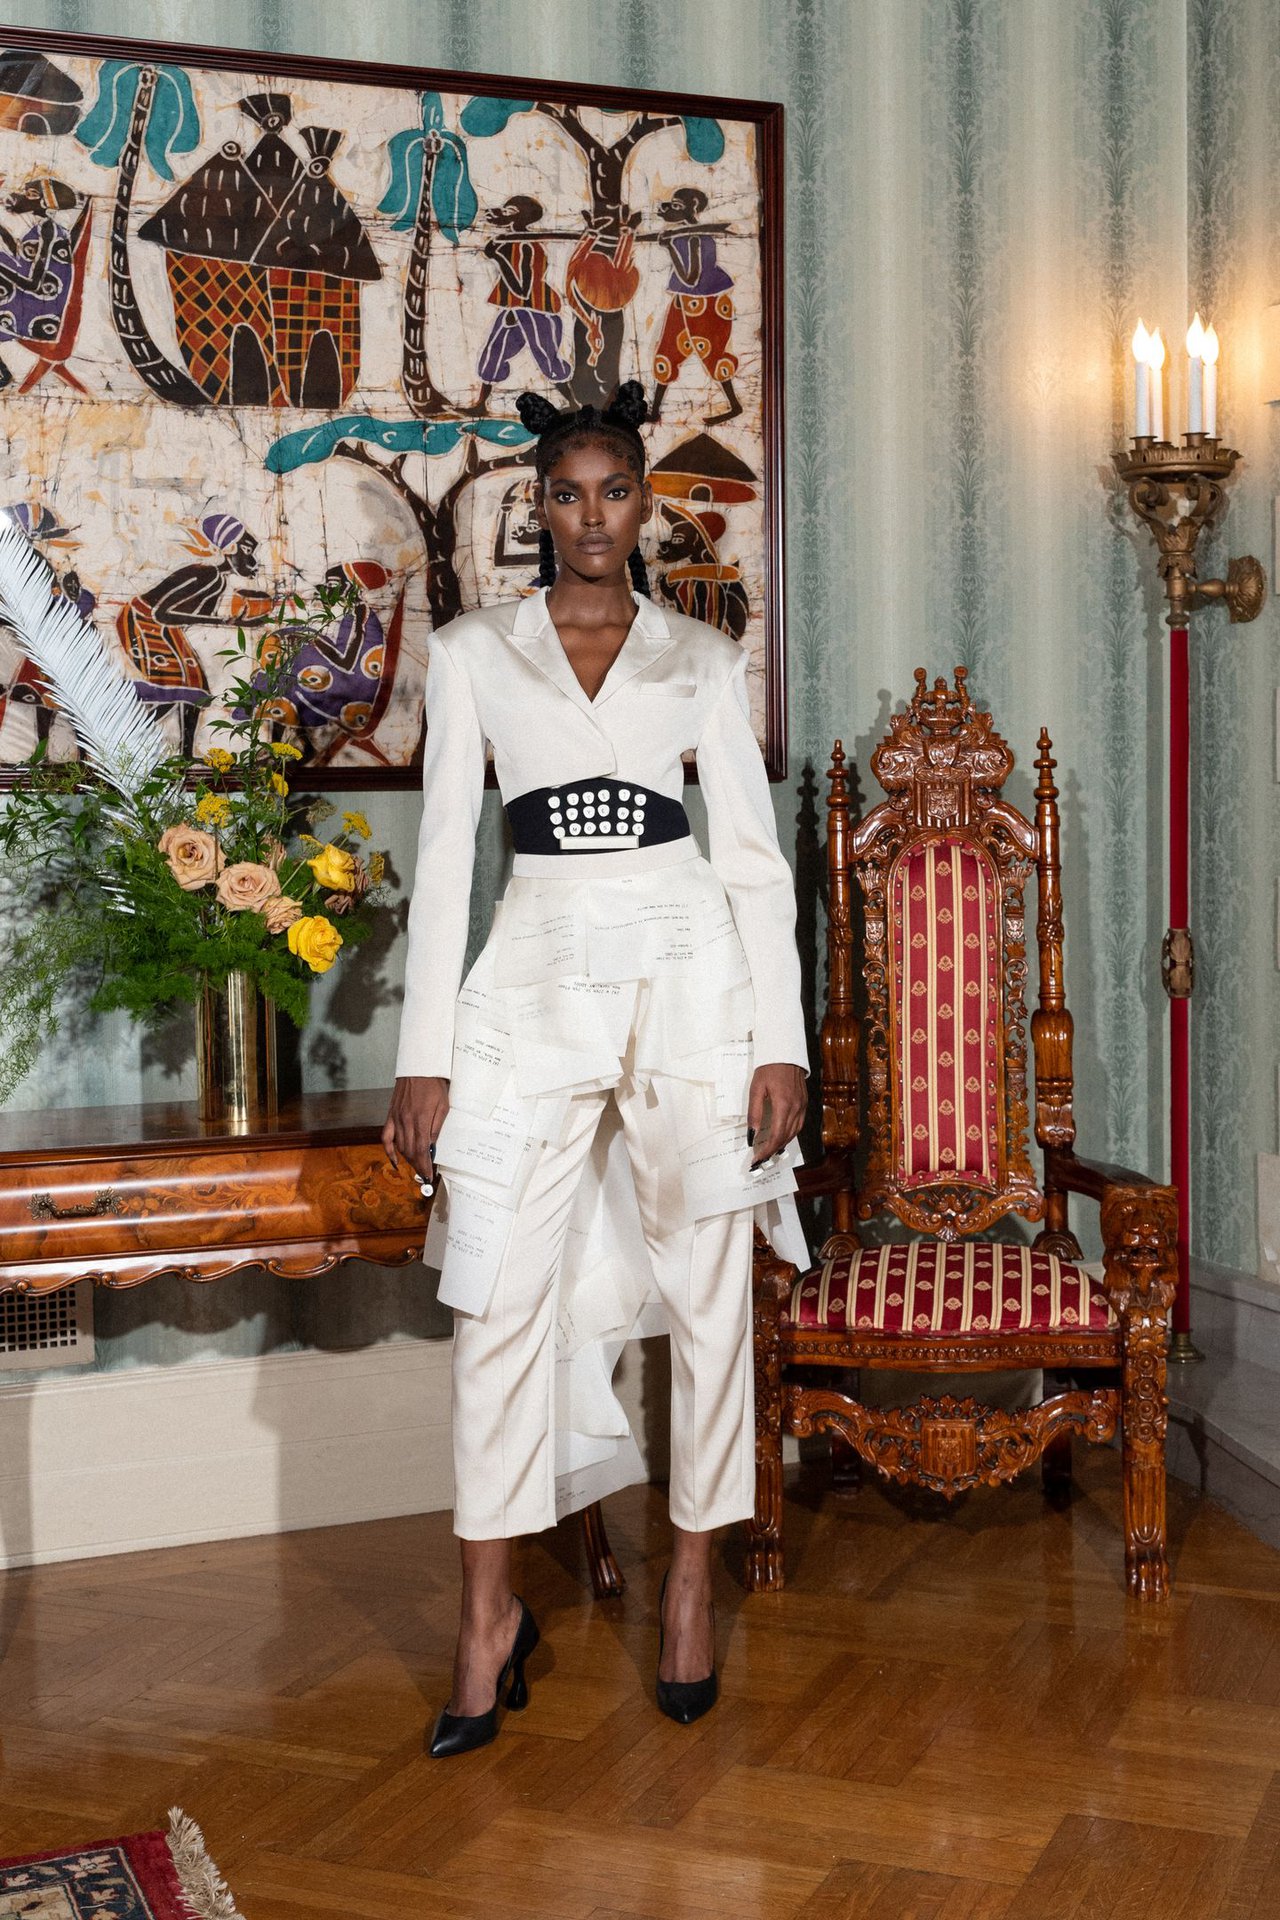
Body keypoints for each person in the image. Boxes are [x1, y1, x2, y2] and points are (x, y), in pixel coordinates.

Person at [383, 381, 808, 1758]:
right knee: (496, 1288)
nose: (590, 518)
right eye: (565, 495)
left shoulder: (701, 656)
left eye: (614, 492)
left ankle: (689, 1584)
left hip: (693, 982)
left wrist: (782, 1041)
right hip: (533, 977)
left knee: (709, 1283)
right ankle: (486, 1618)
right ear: (538, 508)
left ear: (644, 505)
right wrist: (425, 1058)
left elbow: (751, 861)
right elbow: (446, 859)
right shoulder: (473, 654)